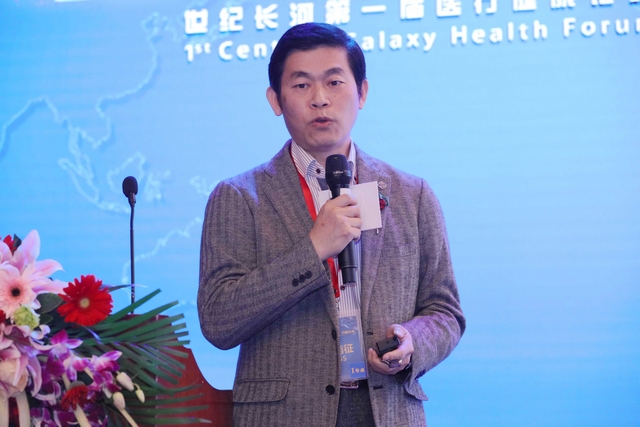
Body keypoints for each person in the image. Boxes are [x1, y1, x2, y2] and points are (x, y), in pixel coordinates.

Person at [197, 22, 465, 426]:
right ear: (275, 100)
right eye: (301, 85)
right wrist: (313, 250)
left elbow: (444, 311)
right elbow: (219, 320)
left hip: (387, 409)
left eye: (335, 82)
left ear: (362, 92)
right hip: (285, 415)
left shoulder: (413, 195)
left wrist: (413, 342)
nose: (320, 99)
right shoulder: (239, 197)